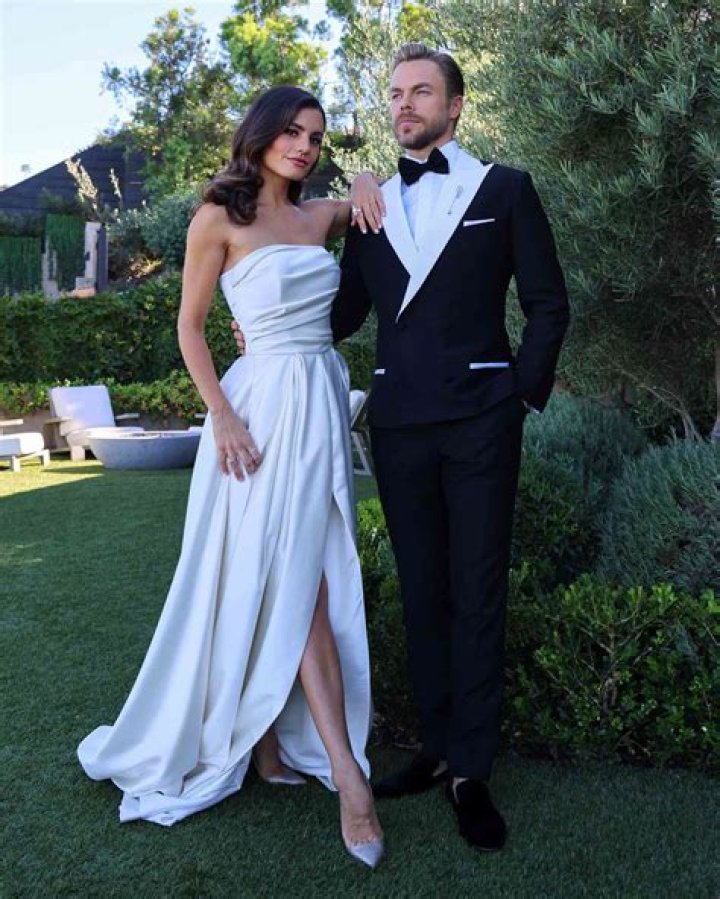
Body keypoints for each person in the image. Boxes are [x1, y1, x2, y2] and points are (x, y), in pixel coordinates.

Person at [77, 86, 384, 869]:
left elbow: (374, 193)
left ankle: (270, 746)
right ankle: (349, 779)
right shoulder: (217, 217)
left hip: (318, 404)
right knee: (285, 580)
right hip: (257, 415)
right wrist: (222, 415)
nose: (305, 146)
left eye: (316, 137)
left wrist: (363, 178)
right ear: (261, 134)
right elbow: (189, 327)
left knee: (305, 573)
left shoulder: (320, 217)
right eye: (292, 132)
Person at [331, 43, 570, 851]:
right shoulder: (369, 205)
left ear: (456, 104)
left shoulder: (505, 189)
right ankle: (435, 747)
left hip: (480, 420)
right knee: (422, 588)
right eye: (396, 92)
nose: (404, 103)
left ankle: (472, 768)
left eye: (421, 91)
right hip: (399, 422)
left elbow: (548, 304)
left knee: (477, 588)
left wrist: (518, 394)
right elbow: (344, 314)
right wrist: (270, 294)